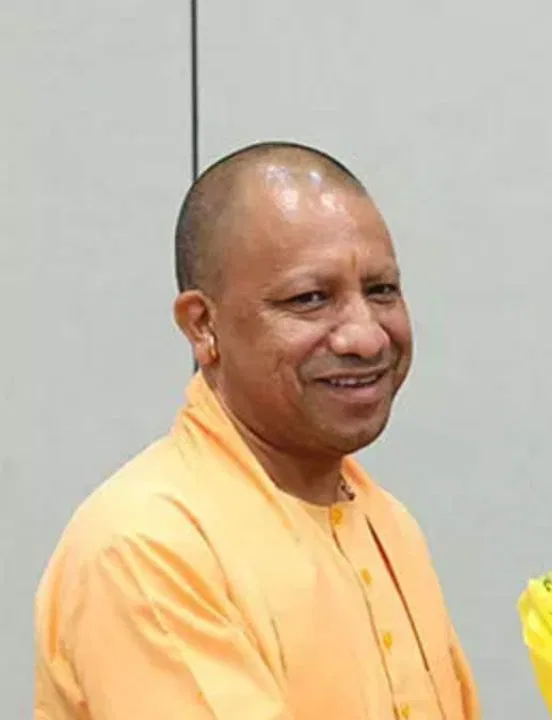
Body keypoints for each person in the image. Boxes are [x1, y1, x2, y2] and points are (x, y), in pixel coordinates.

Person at [34, 142, 480, 719]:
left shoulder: (387, 523)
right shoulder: (149, 544)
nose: (367, 336)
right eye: (310, 299)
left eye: (381, 290)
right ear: (203, 326)